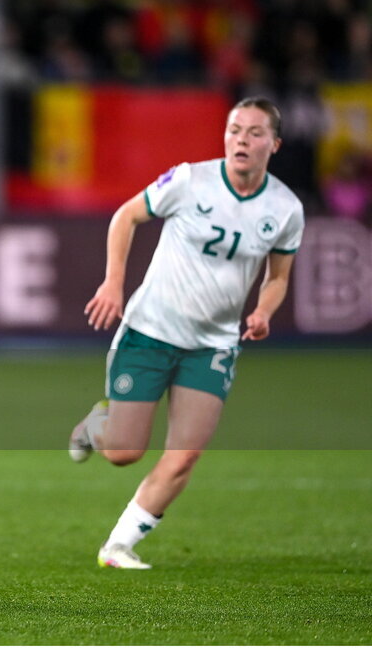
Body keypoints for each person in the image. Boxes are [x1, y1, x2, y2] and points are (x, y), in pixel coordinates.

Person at [68, 97, 304, 569]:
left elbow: (278, 276)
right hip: (150, 331)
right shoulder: (190, 180)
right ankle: (98, 426)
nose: (242, 139)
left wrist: (263, 311)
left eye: (255, 133)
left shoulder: (285, 209)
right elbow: (126, 216)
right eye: (235, 129)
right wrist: (113, 282)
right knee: (124, 453)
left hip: (213, 345)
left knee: (185, 454)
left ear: (273, 144)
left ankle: (117, 546)